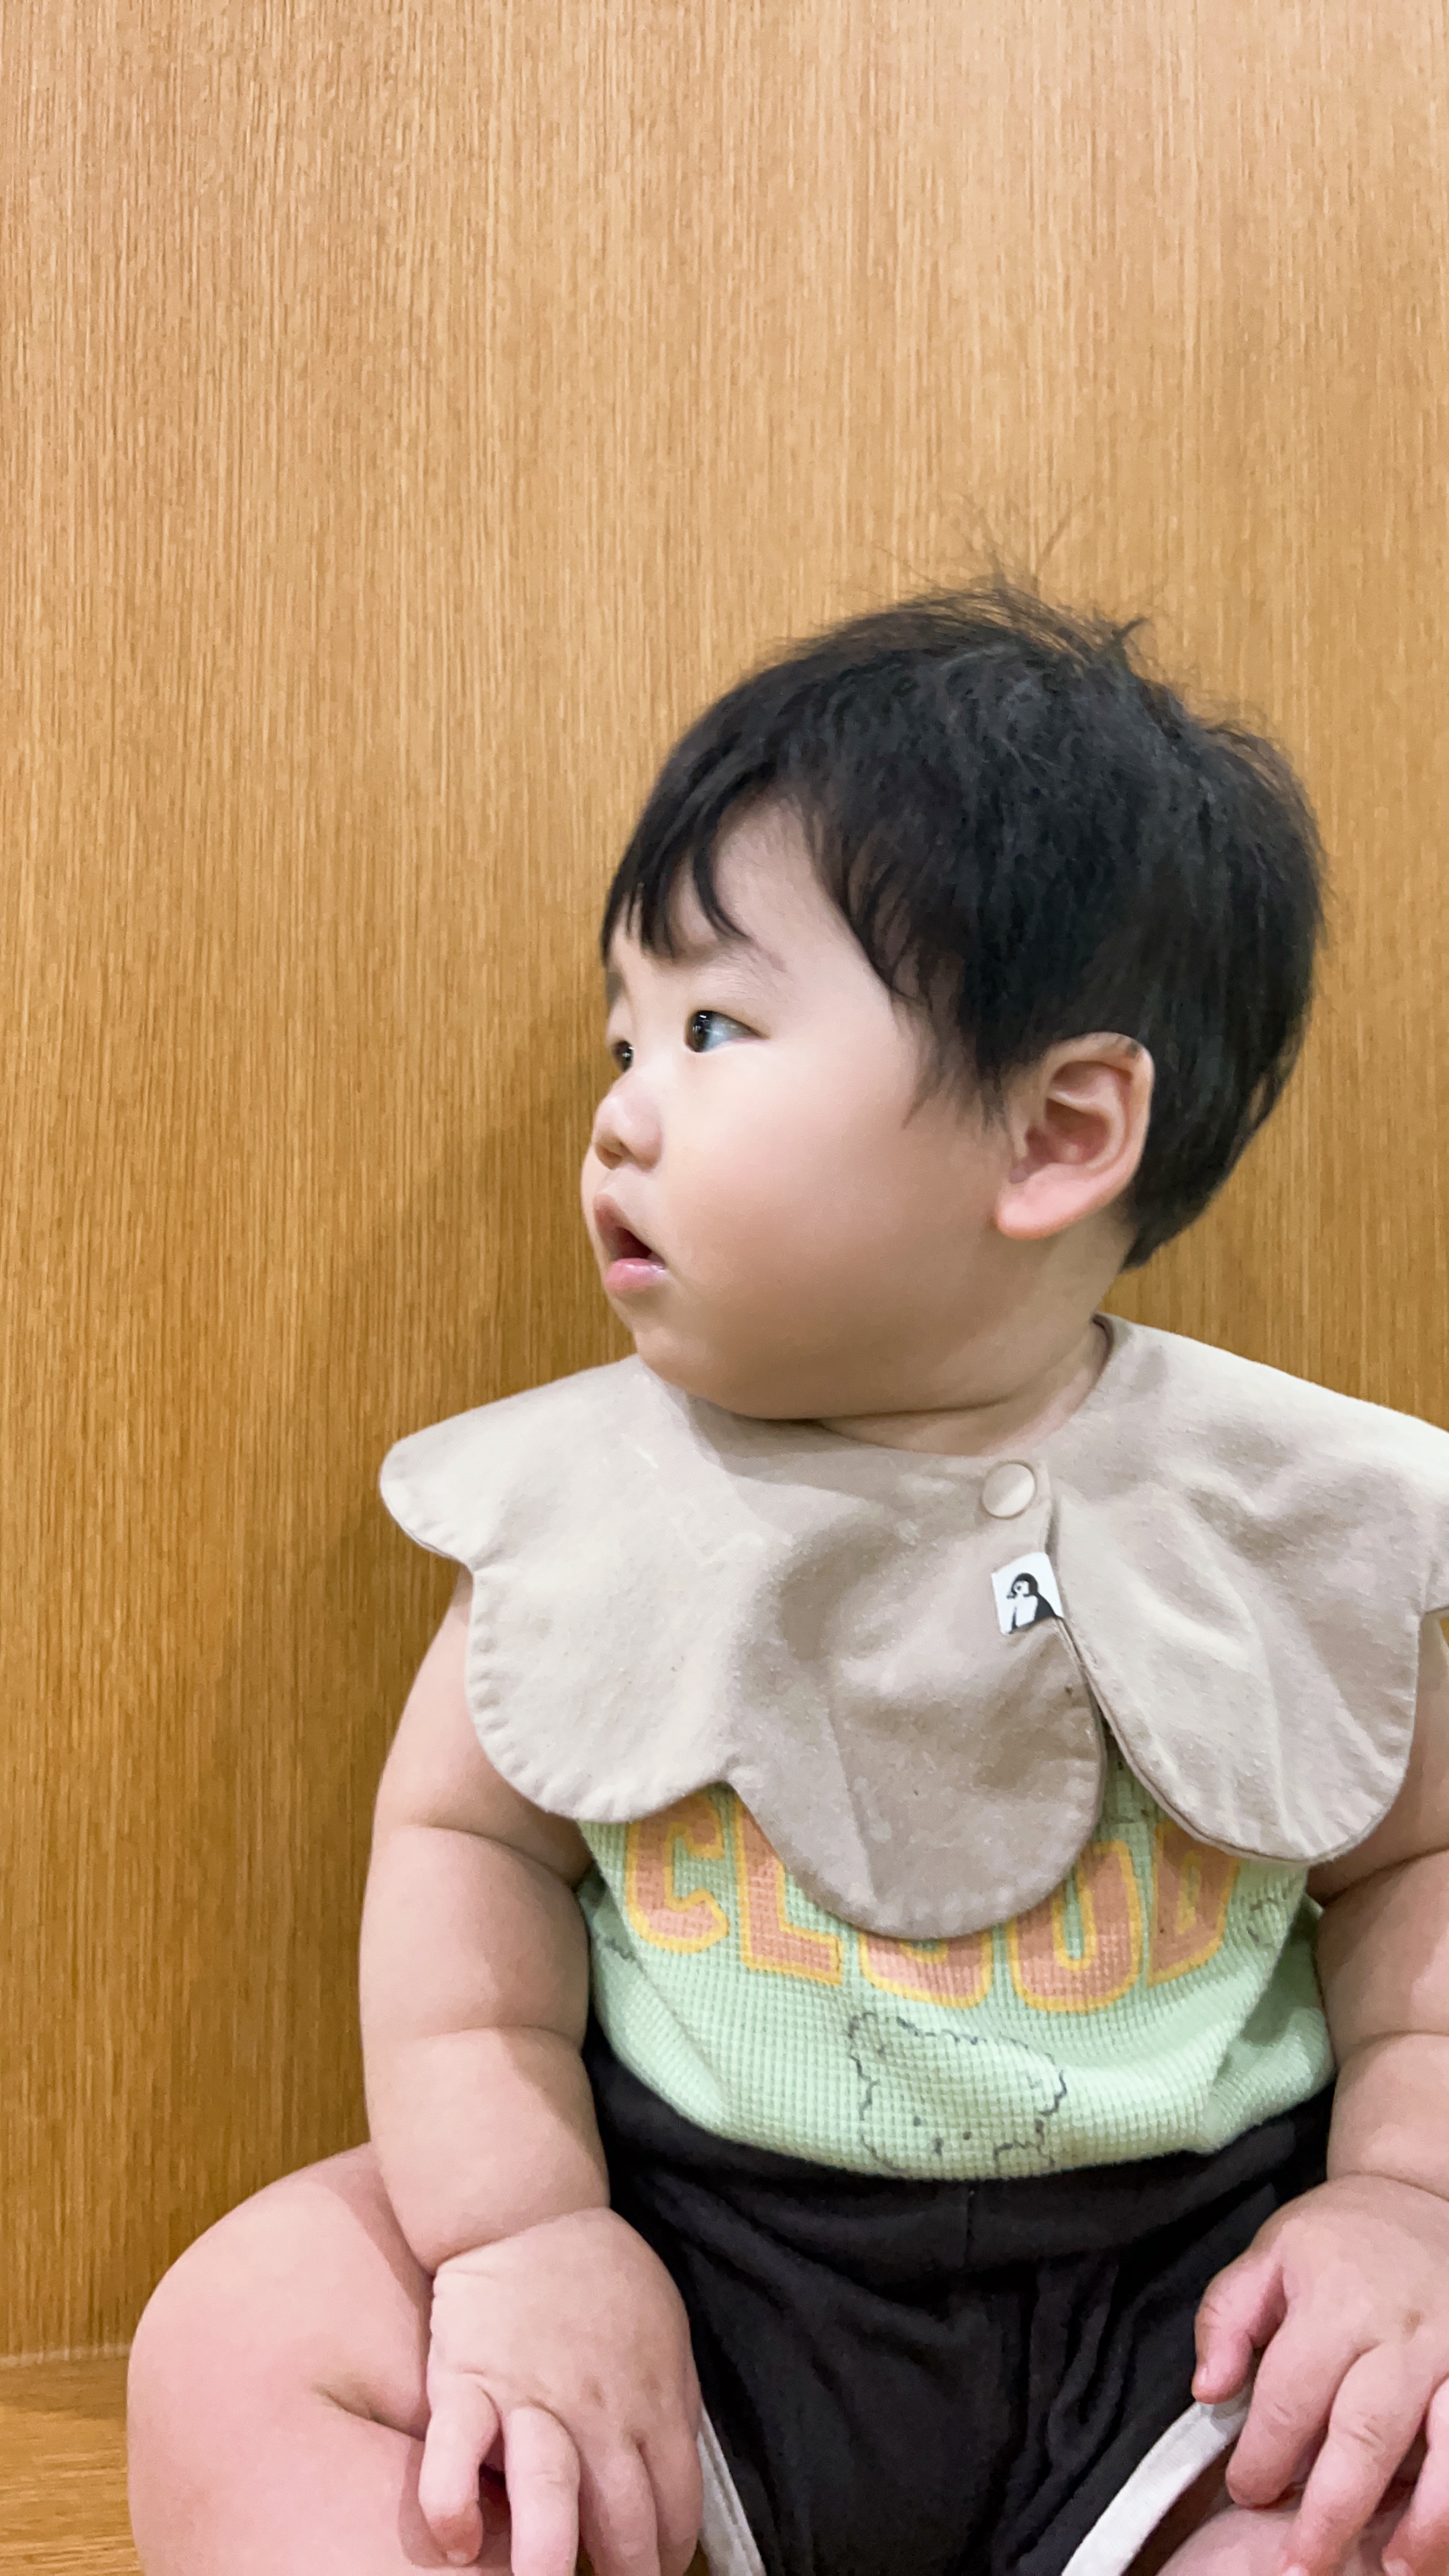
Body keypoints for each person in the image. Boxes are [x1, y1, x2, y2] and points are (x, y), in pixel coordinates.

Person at [127, 587, 1449, 2576]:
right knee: (241, 2339)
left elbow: (1420, 1874)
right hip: (677, 2295)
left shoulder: (1286, 1515)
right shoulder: (585, 1507)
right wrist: (524, 2233)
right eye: (626, 1035)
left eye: (716, 1029)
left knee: (1403, 2470)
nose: (619, 1108)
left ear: (1058, 1132)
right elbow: (464, 1853)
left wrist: (1407, 2208)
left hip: (1195, 2323)